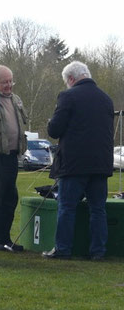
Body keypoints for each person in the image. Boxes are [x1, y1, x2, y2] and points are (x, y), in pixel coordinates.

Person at [43, 61, 114, 260]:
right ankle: (98, 251)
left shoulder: (68, 96)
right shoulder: (106, 99)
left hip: (74, 164)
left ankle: (63, 249)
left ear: (71, 79)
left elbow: (55, 129)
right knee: (98, 209)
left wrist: (50, 122)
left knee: (67, 207)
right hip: (100, 164)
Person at [0, 65, 27, 252]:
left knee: (10, 196)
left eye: (10, 81)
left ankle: (5, 238)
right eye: (4, 82)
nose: (9, 85)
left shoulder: (16, 100)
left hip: (12, 156)